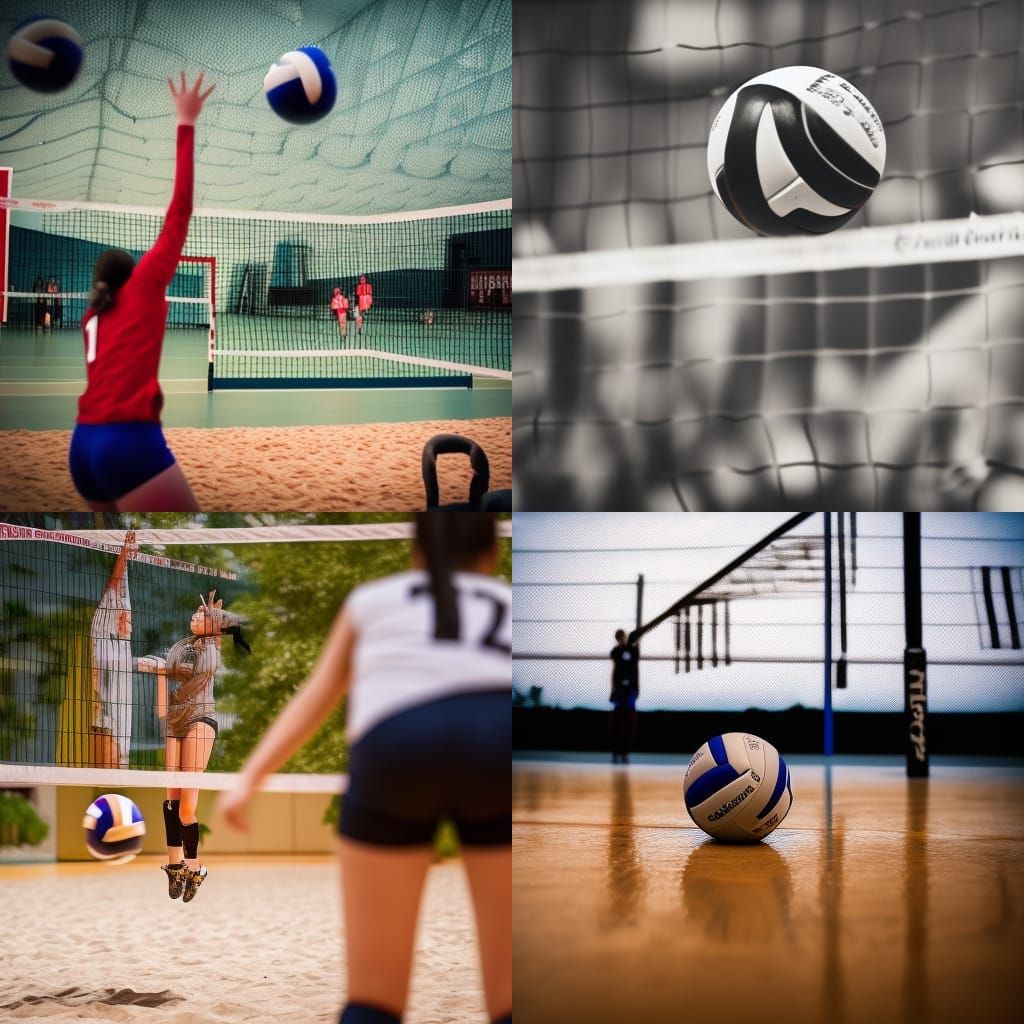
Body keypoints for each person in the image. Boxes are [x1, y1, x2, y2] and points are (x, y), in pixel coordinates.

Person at [217, 513, 511, 1024]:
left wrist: (249, 781)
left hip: (399, 741)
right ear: (492, 553)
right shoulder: (512, 600)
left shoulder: (373, 599)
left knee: (373, 1003)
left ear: (417, 554)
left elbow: (316, 697)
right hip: (498, 737)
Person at [69, 71, 215, 512]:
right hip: (128, 442)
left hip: (82, 446)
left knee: (110, 543)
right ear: (132, 275)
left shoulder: (92, 316)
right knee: (196, 537)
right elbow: (180, 210)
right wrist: (185, 122)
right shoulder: (143, 287)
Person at [138, 590, 250, 903]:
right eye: (195, 613)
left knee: (187, 808)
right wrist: (159, 674)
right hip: (176, 720)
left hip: (201, 719)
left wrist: (215, 620)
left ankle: (195, 869)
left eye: (201, 614)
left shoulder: (212, 649)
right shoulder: (181, 647)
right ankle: (175, 866)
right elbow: (167, 678)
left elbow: (226, 633)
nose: (195, 615)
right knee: (170, 803)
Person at [89, 529, 137, 769]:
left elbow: (119, 593)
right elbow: (114, 588)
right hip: (103, 717)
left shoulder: (122, 645)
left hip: (115, 720)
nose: (129, 621)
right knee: (108, 768)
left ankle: (119, 768)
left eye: (129, 618)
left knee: (116, 767)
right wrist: (124, 552)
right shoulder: (102, 632)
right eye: (125, 616)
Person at [609, 628, 639, 764]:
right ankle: (616, 751)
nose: (621, 640)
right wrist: (613, 689)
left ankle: (625, 752)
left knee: (629, 721)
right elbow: (615, 667)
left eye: (623, 637)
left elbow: (635, 668)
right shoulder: (616, 652)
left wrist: (636, 689)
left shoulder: (633, 650)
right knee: (617, 722)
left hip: (630, 691)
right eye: (619, 638)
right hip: (619, 691)